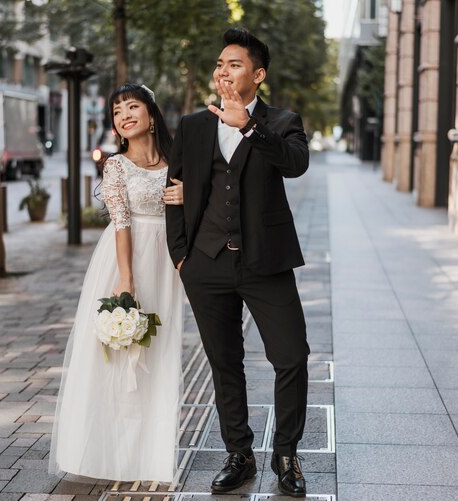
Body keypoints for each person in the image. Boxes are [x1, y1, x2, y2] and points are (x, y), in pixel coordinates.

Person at [166, 28, 310, 497]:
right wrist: (181, 256)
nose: (223, 71)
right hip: (206, 264)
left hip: (266, 262)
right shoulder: (193, 125)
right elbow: (175, 191)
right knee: (224, 362)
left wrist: (248, 125)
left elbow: (294, 164)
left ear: (258, 74)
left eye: (234, 64)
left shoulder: (282, 122)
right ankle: (239, 454)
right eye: (219, 64)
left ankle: (286, 455)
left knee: (291, 357)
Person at [50, 83, 185, 482]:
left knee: (158, 355)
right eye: (117, 111)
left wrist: (187, 197)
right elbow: (121, 222)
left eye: (132, 107)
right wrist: (126, 281)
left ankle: (151, 456)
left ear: (151, 113)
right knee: (119, 359)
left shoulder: (176, 161)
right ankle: (107, 453)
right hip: (125, 260)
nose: (124, 115)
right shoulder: (115, 165)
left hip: (166, 261)